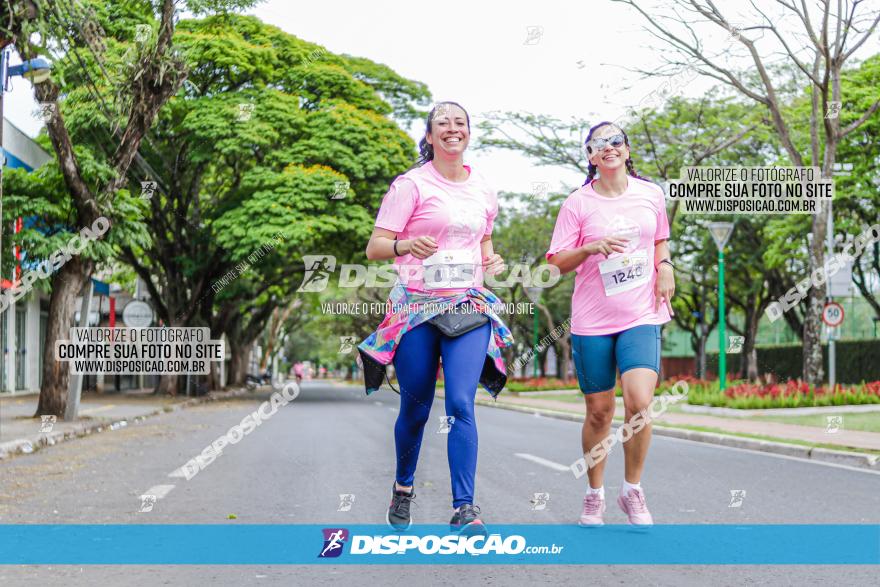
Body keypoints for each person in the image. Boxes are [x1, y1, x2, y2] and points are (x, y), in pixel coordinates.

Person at [358, 101, 514, 535]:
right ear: (429, 137)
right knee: (416, 408)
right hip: (417, 309)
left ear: (468, 133)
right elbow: (375, 248)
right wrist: (407, 246)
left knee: (462, 403)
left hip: (467, 305)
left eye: (460, 122)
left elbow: (483, 242)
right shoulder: (409, 186)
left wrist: (491, 260)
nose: (452, 129)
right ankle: (403, 487)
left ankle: (465, 507)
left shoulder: (483, 187)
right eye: (442, 123)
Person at [546, 121, 675, 527]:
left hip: (641, 314)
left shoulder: (651, 194)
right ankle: (594, 494)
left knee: (639, 403)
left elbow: (660, 239)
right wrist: (589, 247)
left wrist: (666, 265)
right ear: (590, 156)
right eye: (598, 144)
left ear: (627, 148)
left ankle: (632, 490)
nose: (608, 148)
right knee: (600, 412)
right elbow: (556, 262)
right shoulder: (578, 204)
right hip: (593, 321)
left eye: (615, 140)